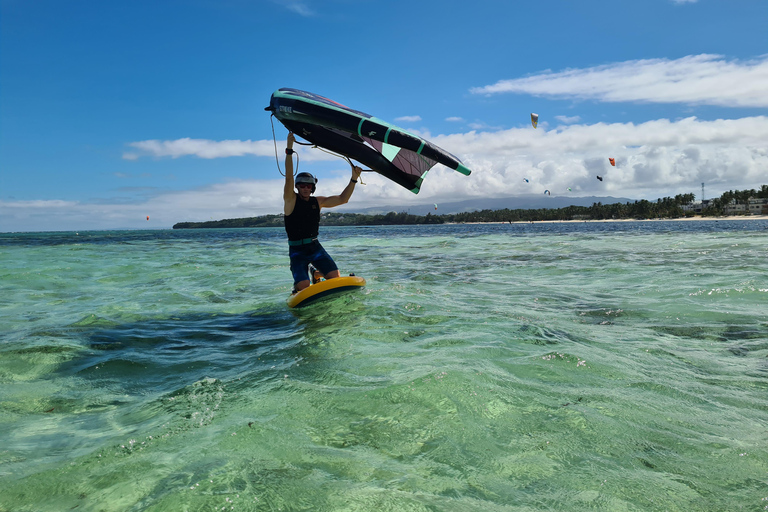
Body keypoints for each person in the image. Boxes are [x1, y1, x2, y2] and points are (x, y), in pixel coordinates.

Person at [283, 132, 363, 293]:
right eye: (302, 185)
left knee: (335, 277)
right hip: (297, 250)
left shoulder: (317, 202)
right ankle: (302, 281)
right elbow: (289, 178)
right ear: (297, 187)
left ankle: (316, 273)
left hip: (314, 246)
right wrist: (290, 149)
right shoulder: (290, 200)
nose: (305, 188)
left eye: (308, 185)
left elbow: (343, 199)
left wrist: (354, 178)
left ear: (312, 187)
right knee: (303, 287)